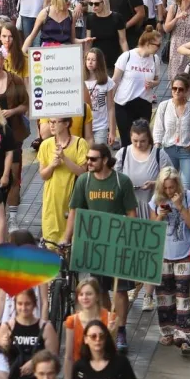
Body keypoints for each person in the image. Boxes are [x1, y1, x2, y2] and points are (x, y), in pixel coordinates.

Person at [63, 144, 137, 352]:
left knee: (120, 290)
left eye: (93, 159)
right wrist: (66, 238)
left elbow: (131, 214)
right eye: (87, 159)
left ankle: (121, 329)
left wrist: (130, 242)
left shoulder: (122, 182)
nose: (88, 162)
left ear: (105, 160)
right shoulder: (84, 181)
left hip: (118, 243)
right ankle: (108, 323)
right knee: (101, 289)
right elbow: (75, 211)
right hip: (95, 246)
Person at [149, 167, 190, 354]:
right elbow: (152, 229)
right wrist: (160, 215)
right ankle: (167, 331)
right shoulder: (156, 200)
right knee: (163, 296)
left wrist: (180, 207)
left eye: (172, 187)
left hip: (184, 253)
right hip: (163, 254)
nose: (169, 191)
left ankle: (184, 336)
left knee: (182, 296)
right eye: (166, 188)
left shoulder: (188, 196)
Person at [111, 25, 162, 146]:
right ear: (148, 43)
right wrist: (109, 106)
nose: (159, 48)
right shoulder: (127, 56)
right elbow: (115, 81)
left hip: (144, 104)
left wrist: (154, 83)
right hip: (124, 104)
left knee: (143, 141)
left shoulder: (155, 59)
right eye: (158, 45)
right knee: (127, 141)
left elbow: (157, 80)